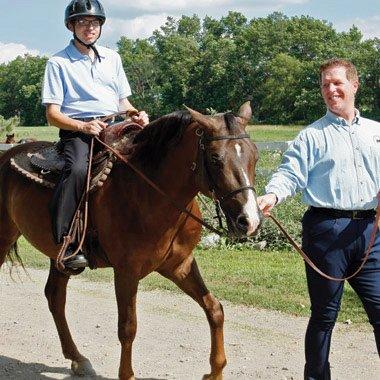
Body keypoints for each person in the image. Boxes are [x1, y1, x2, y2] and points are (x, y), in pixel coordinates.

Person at [257, 58, 380, 379]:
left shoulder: (376, 132)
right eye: (325, 85)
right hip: (325, 231)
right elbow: (290, 174)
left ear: (354, 85)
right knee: (325, 316)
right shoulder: (311, 136)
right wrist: (272, 195)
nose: (330, 89)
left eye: (337, 83)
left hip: (370, 232)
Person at [42, 0, 149, 269]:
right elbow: (52, 114)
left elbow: (123, 102)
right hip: (78, 131)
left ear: (100, 26)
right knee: (77, 170)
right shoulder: (58, 63)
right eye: (82, 22)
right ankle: (66, 241)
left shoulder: (113, 58)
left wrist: (135, 114)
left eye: (94, 23)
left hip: (115, 126)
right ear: (71, 26)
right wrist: (83, 127)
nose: (89, 27)